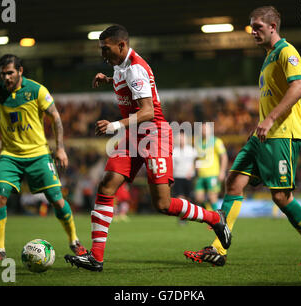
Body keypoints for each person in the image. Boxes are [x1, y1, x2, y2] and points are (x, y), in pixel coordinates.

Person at [64, 25, 231, 272]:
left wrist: (114, 125)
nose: (102, 54)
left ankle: (215, 218)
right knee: (107, 185)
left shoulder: (135, 68)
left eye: (106, 49)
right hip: (135, 136)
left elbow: (148, 111)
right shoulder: (120, 66)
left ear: (121, 45)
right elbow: (127, 86)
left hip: (154, 135)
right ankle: (96, 258)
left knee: (163, 205)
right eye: (101, 49)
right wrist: (109, 79)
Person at [184, 6, 301, 267]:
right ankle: (219, 249)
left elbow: (299, 87)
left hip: (283, 135)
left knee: (281, 197)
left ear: (273, 27)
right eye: (251, 27)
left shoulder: (287, 52)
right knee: (234, 183)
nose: (253, 31)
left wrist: (271, 119)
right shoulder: (269, 57)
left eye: (258, 26)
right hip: (261, 135)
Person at [0, 54, 86, 261]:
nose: (6, 78)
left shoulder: (37, 90)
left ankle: (74, 241)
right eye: (3, 74)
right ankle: (0, 250)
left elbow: (55, 116)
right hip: (10, 156)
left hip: (39, 155)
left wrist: (60, 149)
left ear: (20, 71)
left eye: (10, 73)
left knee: (56, 200)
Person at [194, 122, 228, 211]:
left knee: (212, 197)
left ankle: (218, 219)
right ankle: (210, 215)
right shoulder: (198, 142)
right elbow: (197, 158)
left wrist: (222, 171)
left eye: (205, 129)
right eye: (202, 129)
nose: (204, 131)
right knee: (198, 198)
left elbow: (224, 156)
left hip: (213, 174)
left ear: (210, 130)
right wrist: (196, 166)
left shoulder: (216, 141)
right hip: (201, 175)